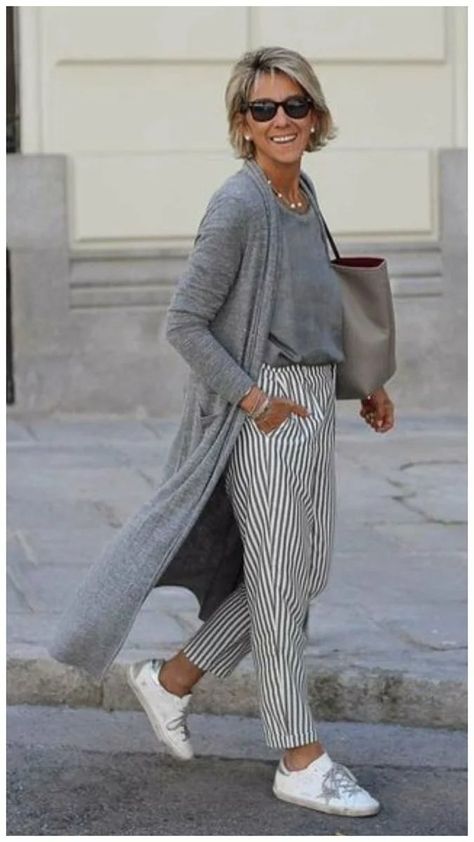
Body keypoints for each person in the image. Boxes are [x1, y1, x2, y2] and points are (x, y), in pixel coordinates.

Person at [127, 45, 395, 817]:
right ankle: (298, 757)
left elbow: (312, 309)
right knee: (280, 592)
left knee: (301, 577)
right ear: (242, 124)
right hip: (266, 413)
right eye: (263, 109)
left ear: (315, 115)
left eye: (294, 105)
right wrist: (254, 401)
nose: (281, 120)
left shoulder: (302, 193)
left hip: (313, 402)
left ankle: (170, 679)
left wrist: (364, 384)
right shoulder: (238, 205)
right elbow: (184, 323)